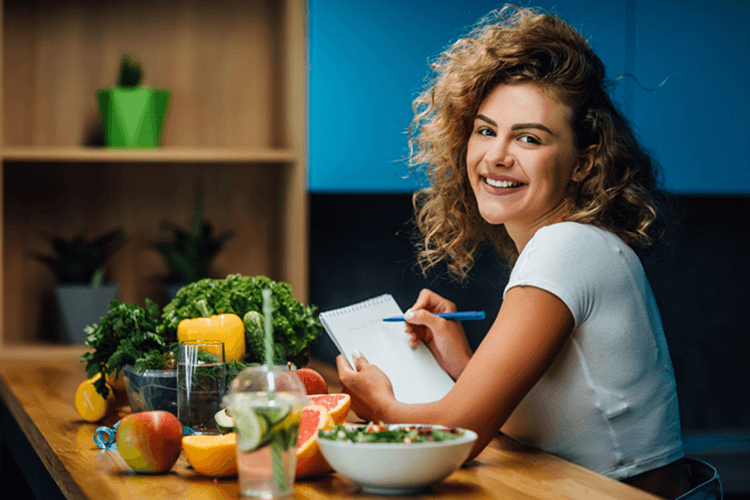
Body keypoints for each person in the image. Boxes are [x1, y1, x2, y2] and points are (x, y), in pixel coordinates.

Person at [335, 5, 691, 499]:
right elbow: (557, 415)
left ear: (584, 162)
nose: (497, 155)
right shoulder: (577, 243)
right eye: (485, 130)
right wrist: (464, 362)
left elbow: (456, 435)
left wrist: (379, 405)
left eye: (528, 138)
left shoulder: (564, 246)